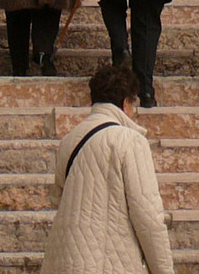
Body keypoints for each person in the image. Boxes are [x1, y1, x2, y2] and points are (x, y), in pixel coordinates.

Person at [40, 60, 175, 274]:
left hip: (63, 259)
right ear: (125, 103)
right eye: (134, 104)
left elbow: (59, 198)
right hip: (108, 261)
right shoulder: (129, 140)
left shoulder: (69, 140)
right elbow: (148, 216)